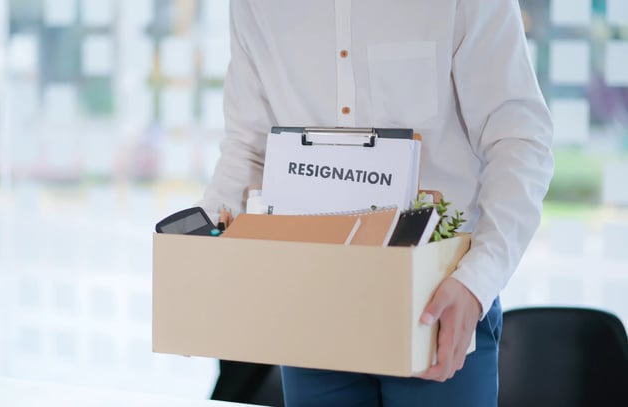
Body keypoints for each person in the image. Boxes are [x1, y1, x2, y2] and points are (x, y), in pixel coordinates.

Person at [199, 1, 554, 406]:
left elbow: (519, 140)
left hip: (437, 302)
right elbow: (249, 149)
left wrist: (477, 282)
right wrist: (197, 238)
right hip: (311, 298)